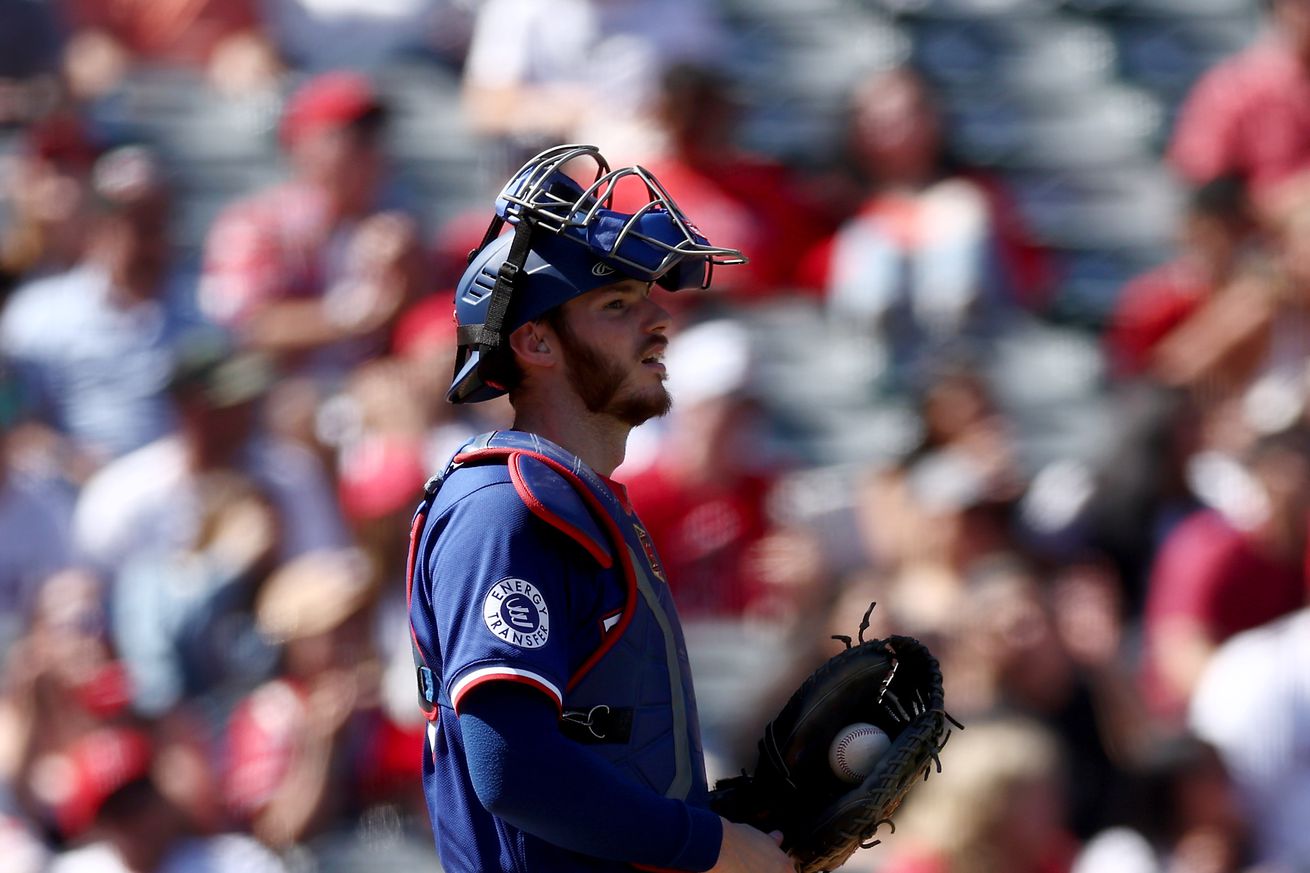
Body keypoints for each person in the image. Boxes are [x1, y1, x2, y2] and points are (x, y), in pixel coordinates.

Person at [405, 144, 793, 872]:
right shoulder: (504, 505)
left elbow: (609, 751)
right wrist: (708, 846)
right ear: (534, 341)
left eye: (648, 302)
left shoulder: (580, 498)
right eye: (617, 305)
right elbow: (510, 766)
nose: (656, 324)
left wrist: (734, 826)